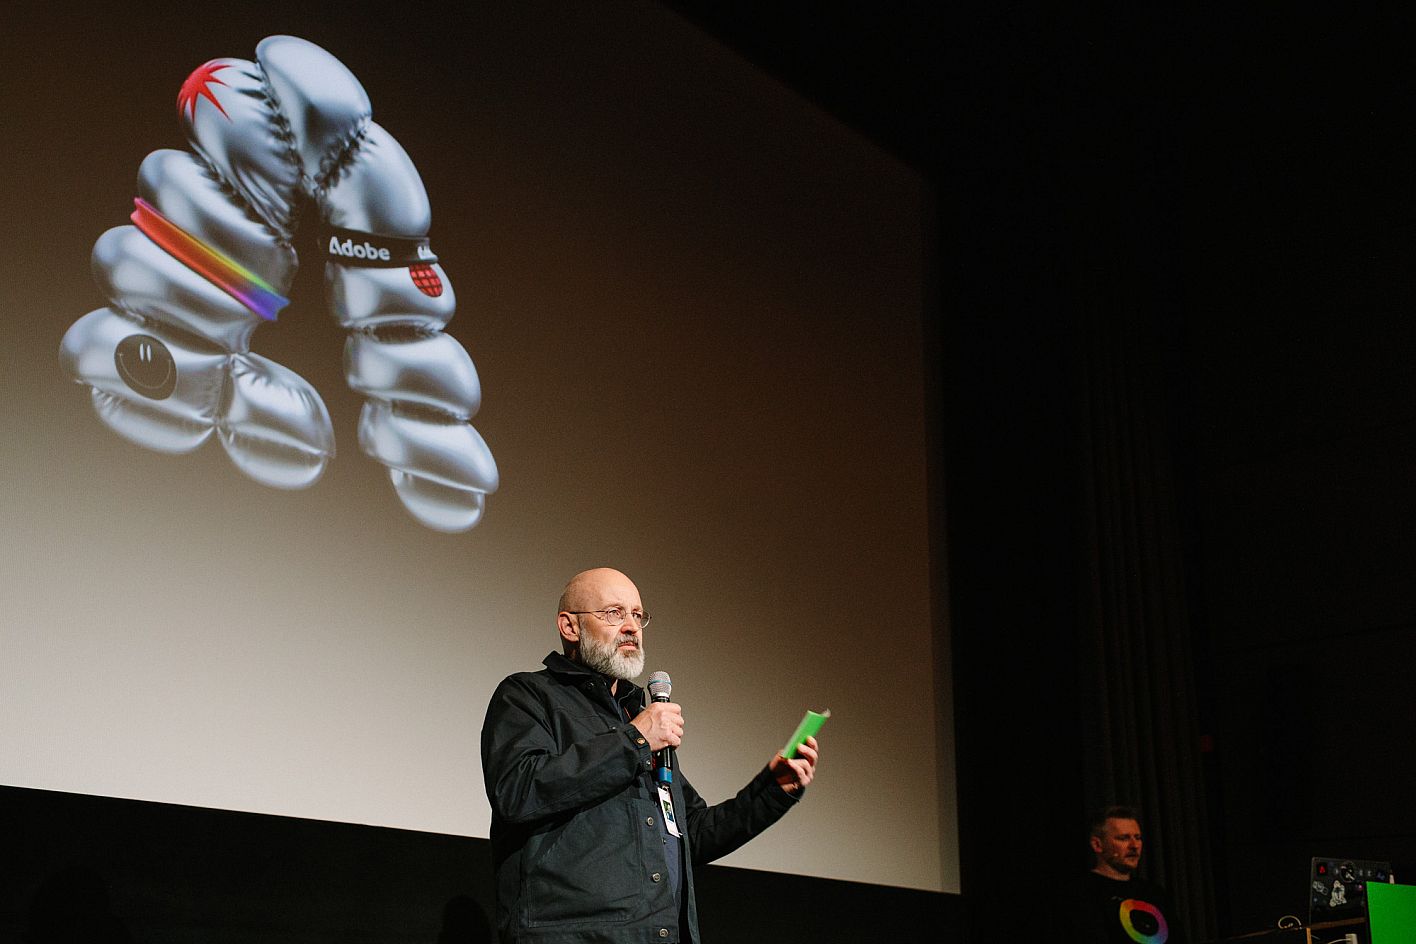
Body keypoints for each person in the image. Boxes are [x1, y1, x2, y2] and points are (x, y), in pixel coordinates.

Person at [480, 567, 819, 944]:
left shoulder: (634, 716)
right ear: (570, 626)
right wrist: (636, 740)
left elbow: (691, 832)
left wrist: (772, 792)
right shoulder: (528, 695)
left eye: (637, 615)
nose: (631, 627)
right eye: (614, 613)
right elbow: (517, 791)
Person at [1070, 805, 1186, 944]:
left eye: (1137, 837)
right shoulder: (1082, 893)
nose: (1134, 845)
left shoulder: (1154, 893)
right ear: (1097, 845)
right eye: (1123, 838)